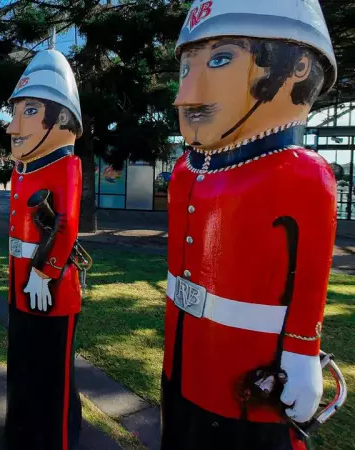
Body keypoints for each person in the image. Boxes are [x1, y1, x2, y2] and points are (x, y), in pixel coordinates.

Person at [162, 1, 338, 449]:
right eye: (186, 68)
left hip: (248, 371)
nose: (186, 95)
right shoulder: (186, 170)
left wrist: (301, 351)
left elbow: (310, 274)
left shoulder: (302, 173)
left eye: (221, 60)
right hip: (181, 356)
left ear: (298, 67)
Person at [4, 32, 85, 450]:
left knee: (52, 368)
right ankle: (23, 431)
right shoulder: (23, 169)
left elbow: (66, 225)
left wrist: (44, 272)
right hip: (21, 280)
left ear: (61, 119)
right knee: (23, 362)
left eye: (30, 111)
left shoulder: (65, 165)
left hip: (47, 283)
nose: (13, 126)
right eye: (16, 111)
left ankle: (56, 438)